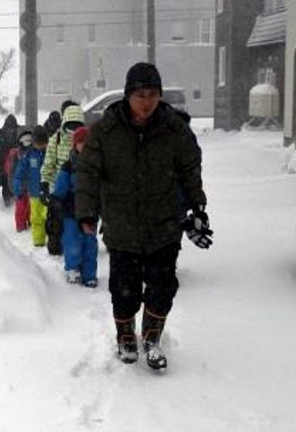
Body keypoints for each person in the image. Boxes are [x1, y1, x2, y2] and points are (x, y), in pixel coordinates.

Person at [75, 61, 213, 369]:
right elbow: (88, 173)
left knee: (163, 285)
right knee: (124, 289)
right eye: (140, 95)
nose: (146, 102)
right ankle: (126, 336)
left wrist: (196, 208)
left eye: (152, 94)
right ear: (127, 96)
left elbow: (190, 169)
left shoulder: (173, 128)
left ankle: (152, 335)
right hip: (122, 224)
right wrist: (86, 212)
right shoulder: (106, 130)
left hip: (164, 223)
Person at [51, 126, 98, 287]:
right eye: (81, 142)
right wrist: (56, 201)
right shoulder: (69, 166)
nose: (84, 145)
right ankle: (72, 270)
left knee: (90, 244)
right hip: (71, 212)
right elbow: (60, 187)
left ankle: (89, 274)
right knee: (72, 243)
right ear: (75, 145)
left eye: (88, 142)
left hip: (91, 212)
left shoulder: (97, 165)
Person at [40, 104, 85, 255]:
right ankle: (55, 245)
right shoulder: (56, 139)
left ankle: (78, 249)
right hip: (58, 189)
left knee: (77, 223)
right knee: (56, 221)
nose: (73, 130)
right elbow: (48, 164)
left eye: (77, 126)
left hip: (80, 190)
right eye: (70, 125)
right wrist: (44, 184)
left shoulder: (87, 140)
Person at [13, 125, 49, 246]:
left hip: (48, 192)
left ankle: (52, 240)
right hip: (34, 193)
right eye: (38, 143)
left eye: (43, 143)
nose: (41, 146)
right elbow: (20, 172)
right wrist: (18, 187)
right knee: (36, 218)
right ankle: (38, 241)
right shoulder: (29, 155)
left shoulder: (50, 153)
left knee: (49, 217)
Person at [7, 127, 33, 232]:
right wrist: (14, 187)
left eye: (30, 141)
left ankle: (31, 223)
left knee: (31, 207)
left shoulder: (34, 153)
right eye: (26, 141)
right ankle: (20, 226)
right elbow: (11, 172)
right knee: (21, 208)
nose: (28, 144)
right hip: (20, 186)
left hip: (32, 186)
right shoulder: (15, 155)